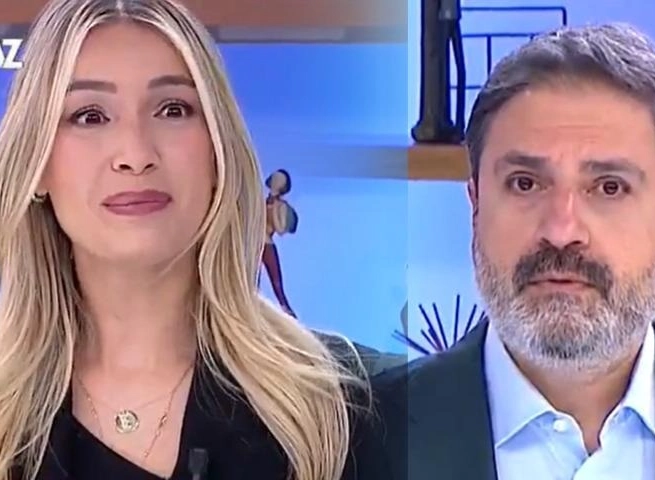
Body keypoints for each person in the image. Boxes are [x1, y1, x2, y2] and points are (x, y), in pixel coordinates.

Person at [0, 0, 400, 479]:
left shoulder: (346, 407)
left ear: (217, 149)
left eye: (173, 109)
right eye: (90, 116)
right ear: (38, 164)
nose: (135, 155)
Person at [375, 23, 655, 479]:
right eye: (525, 183)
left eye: (609, 187)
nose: (561, 232)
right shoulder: (362, 440)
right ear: (475, 208)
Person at [261, 169, 298, 317]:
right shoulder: (263, 200)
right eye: (275, 177)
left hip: (267, 242)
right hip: (255, 242)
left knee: (276, 282)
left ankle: (287, 312)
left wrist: (274, 210)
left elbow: (281, 229)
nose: (275, 180)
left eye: (279, 179)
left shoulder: (281, 206)